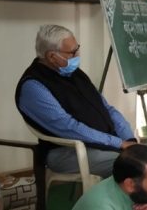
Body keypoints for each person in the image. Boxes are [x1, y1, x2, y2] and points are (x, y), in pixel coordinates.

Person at [15, 24, 138, 179]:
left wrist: (129, 139)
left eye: (77, 49)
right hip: (67, 151)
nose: (78, 55)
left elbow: (107, 108)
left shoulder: (76, 74)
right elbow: (69, 127)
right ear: (52, 56)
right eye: (72, 52)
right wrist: (118, 143)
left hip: (104, 143)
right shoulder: (34, 87)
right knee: (134, 165)